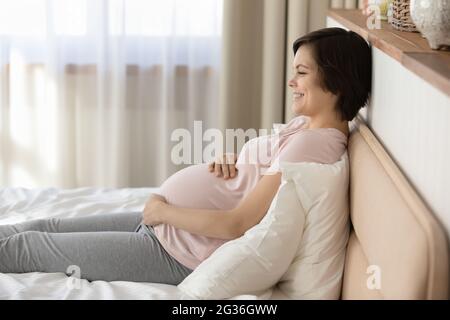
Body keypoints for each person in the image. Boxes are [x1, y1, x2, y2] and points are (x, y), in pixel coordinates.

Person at [0, 28, 371, 285]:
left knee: (27, 248)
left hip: (178, 252)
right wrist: (238, 162)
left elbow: (237, 224)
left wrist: (163, 212)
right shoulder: (307, 129)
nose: (292, 82)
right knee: (45, 226)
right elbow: (261, 182)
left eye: (302, 73)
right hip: (173, 230)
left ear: (336, 82)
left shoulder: (315, 145)